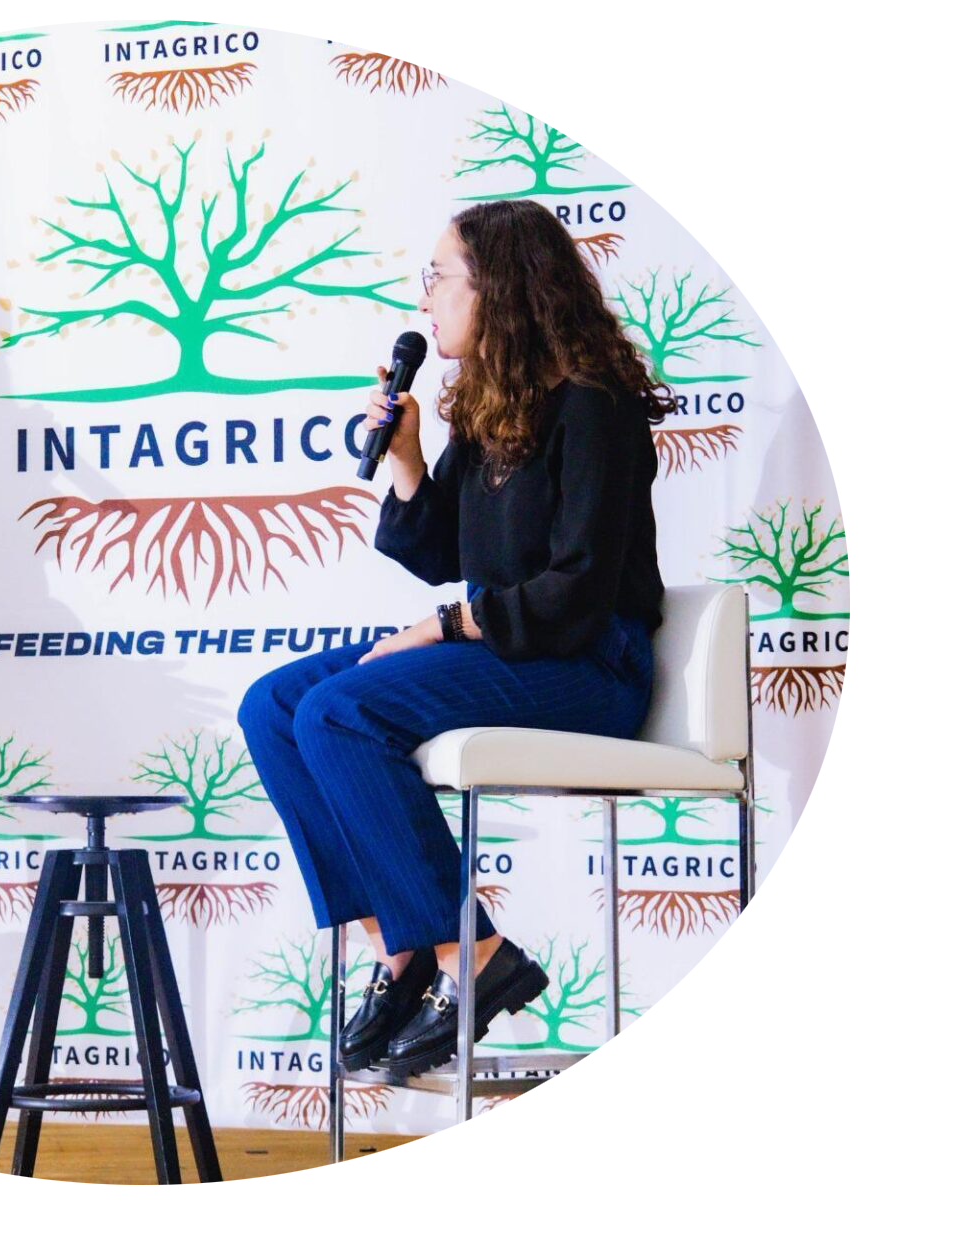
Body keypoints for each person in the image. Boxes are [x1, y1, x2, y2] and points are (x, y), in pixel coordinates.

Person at [238, 200, 674, 1079]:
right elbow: (444, 555)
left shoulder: (593, 408)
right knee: (275, 704)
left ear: (500, 289)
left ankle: (472, 954)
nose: (424, 299)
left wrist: (444, 627)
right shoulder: (490, 408)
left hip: (591, 665)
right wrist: (406, 457)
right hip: (509, 650)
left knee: (341, 713)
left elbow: (577, 589)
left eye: (438, 278)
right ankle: (401, 947)